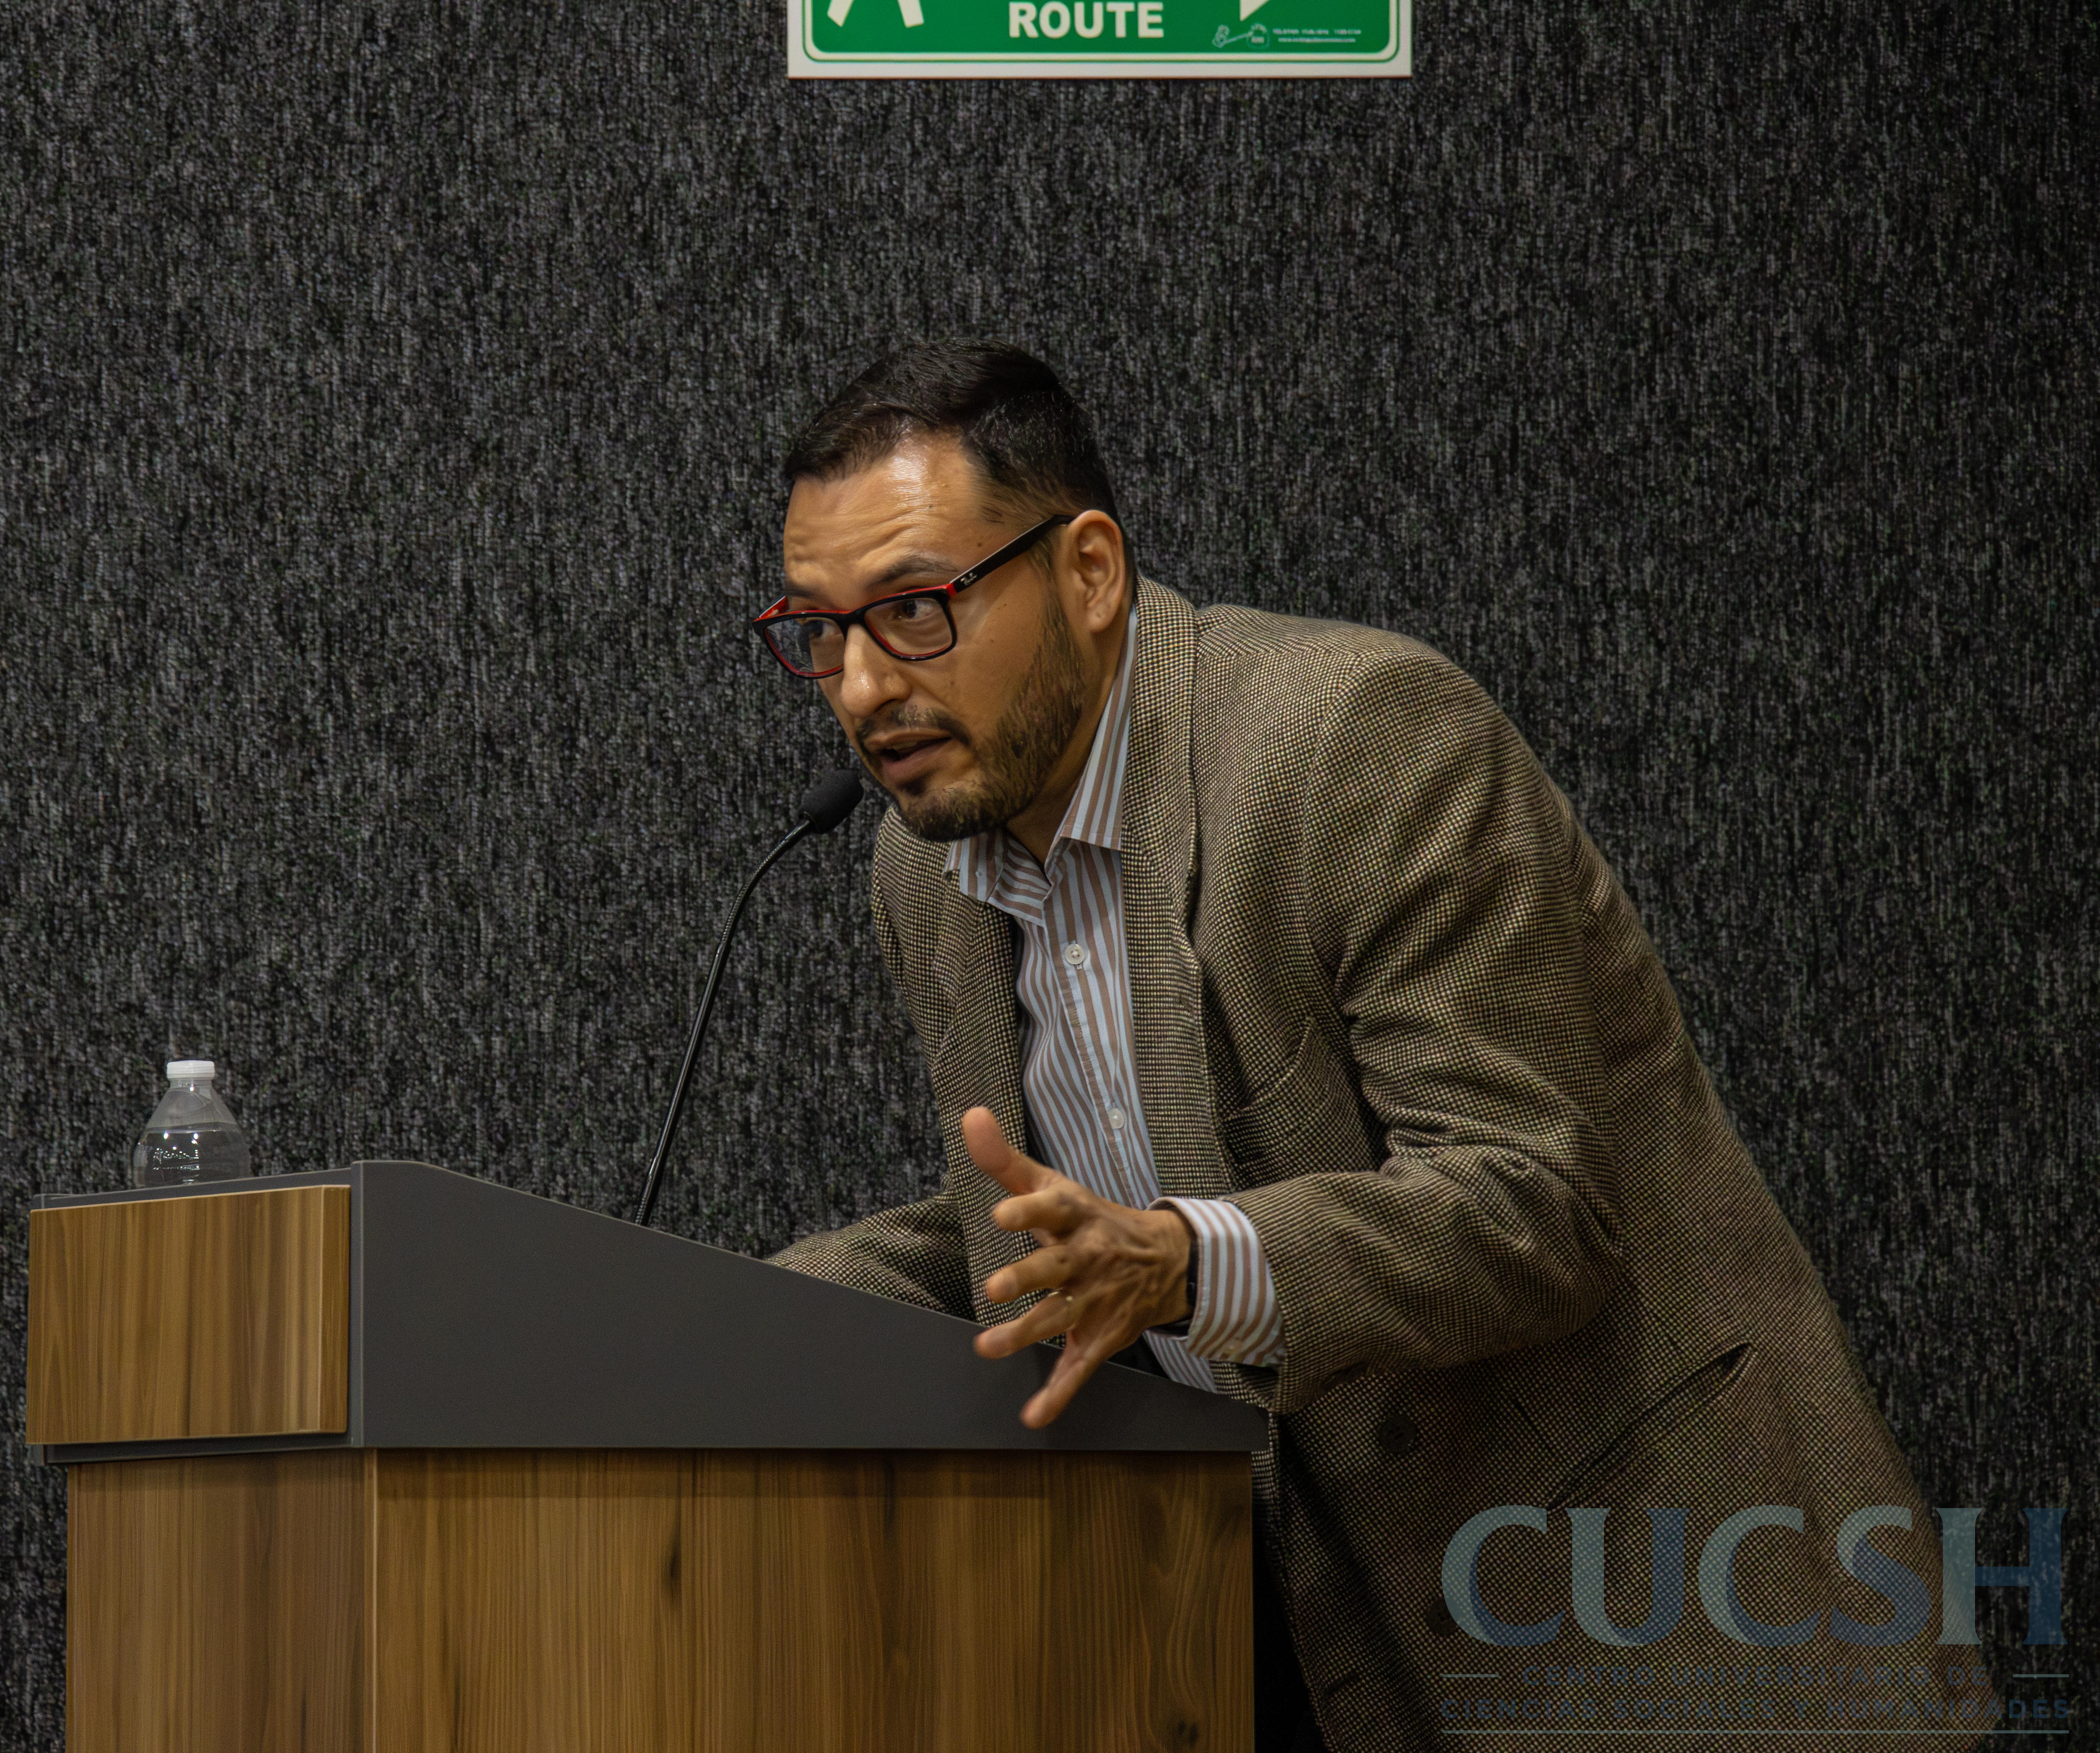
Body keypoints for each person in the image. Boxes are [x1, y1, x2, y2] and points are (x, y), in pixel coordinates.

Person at [760, 341, 1973, 1750]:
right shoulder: (926, 872)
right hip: (1346, 1647)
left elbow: (1533, 1206)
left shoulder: (1354, 741)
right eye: (818, 631)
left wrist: (1183, 1262)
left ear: (1088, 572)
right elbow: (1073, 1221)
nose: (860, 686)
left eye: (914, 610)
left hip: (1655, 1616)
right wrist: (758, 1316)